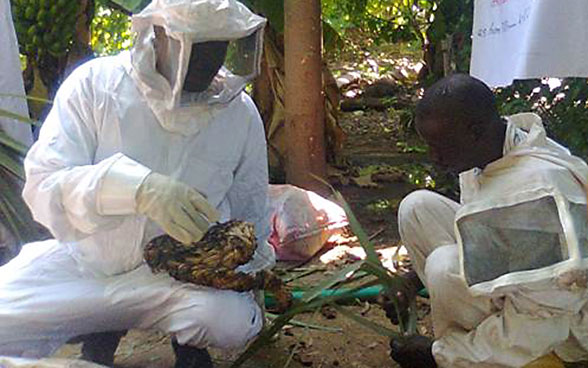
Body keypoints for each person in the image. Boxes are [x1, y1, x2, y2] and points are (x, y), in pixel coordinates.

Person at [0, 0, 275, 367]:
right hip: (86, 268)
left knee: (230, 323)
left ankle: (188, 342)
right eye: (199, 44)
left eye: (221, 44)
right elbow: (43, 186)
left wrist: (251, 282)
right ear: (158, 32)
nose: (211, 60)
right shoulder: (94, 85)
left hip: (180, 284)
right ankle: (100, 326)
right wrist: (134, 189)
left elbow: (250, 210)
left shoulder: (240, 115)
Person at [387, 74, 588, 367]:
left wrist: (441, 354)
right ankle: (473, 341)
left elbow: (546, 321)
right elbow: (488, 231)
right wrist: (410, 281)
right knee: (417, 207)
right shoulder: (492, 147)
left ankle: (476, 355)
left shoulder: (534, 191)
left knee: (443, 266)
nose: (434, 158)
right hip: (528, 288)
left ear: (475, 131)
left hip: (564, 328)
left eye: (441, 146)